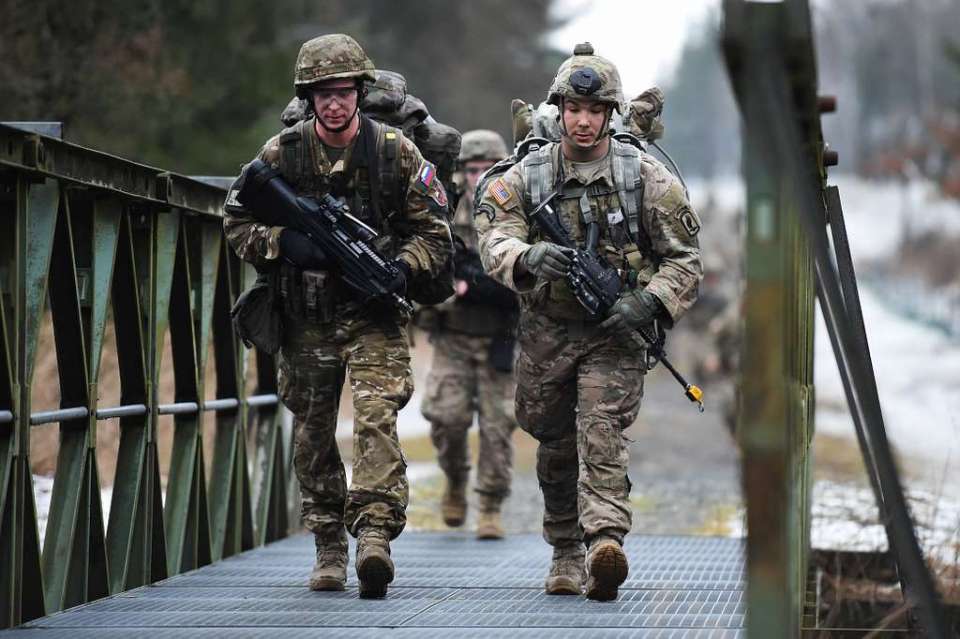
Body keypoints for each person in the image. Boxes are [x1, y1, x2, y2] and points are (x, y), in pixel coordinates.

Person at [223, 34, 452, 599]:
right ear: (309, 96)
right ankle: (328, 543)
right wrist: (284, 243)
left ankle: (374, 535)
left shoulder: (396, 151)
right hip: (307, 316)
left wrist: (401, 266)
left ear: (359, 91)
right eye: (323, 93)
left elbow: (436, 233)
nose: (334, 103)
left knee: (377, 417)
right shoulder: (282, 153)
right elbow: (234, 220)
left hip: (373, 313)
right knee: (313, 431)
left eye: (344, 91)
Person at [475, 43, 703, 601]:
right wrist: (526, 257)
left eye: (594, 110)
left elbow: (686, 260)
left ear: (610, 114)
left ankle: (605, 542)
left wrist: (648, 301)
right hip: (547, 330)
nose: (582, 120)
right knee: (551, 440)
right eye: (573, 109)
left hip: (615, 333)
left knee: (600, 430)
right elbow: (492, 234)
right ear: (560, 110)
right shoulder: (526, 175)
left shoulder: (645, 178)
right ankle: (564, 550)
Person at [418, 129, 519, 539]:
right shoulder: (444, 212)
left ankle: (491, 505)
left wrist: (484, 287)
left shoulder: (518, 210)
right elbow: (424, 271)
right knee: (446, 418)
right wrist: (450, 290)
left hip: (500, 336)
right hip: (453, 334)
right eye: (471, 169)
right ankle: (456, 481)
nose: (479, 177)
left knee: (498, 427)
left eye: (488, 169)